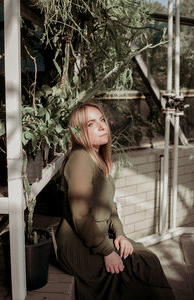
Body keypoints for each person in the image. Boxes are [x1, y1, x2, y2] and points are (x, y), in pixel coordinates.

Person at [56, 103, 175, 300]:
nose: (103, 126)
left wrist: (120, 234)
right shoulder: (80, 159)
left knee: (145, 258)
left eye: (102, 120)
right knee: (143, 264)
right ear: (78, 132)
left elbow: (109, 208)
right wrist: (107, 250)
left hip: (97, 237)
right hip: (79, 245)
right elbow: (80, 215)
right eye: (92, 124)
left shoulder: (97, 159)